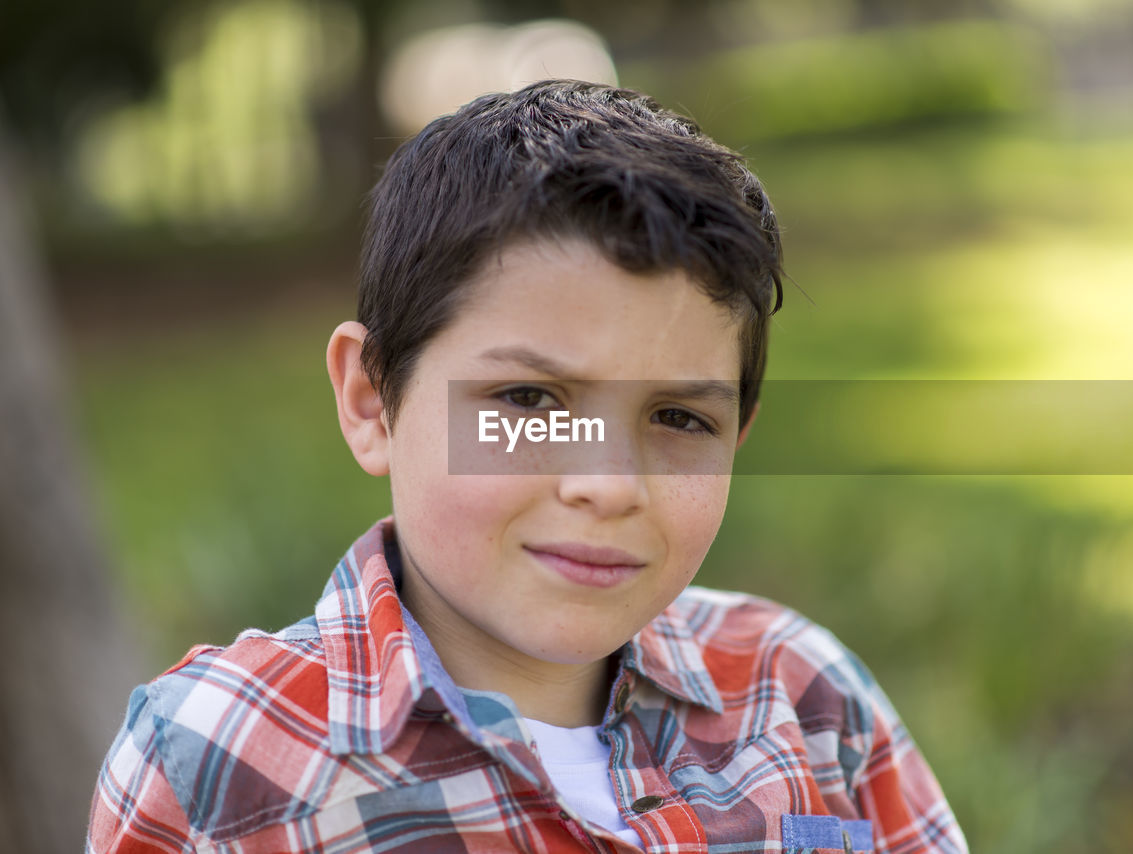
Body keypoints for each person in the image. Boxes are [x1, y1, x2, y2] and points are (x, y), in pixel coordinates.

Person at [87, 79, 967, 853]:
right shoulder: (224, 757)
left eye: (676, 417)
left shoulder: (805, 700)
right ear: (371, 400)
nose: (610, 484)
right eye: (529, 401)